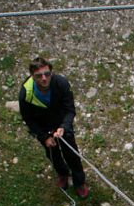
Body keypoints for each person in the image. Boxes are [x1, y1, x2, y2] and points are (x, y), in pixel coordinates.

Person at [19, 57, 89, 198]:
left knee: (72, 155)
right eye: (39, 76)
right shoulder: (26, 93)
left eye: (47, 74)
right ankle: (63, 174)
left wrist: (64, 126)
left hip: (62, 125)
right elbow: (28, 119)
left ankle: (79, 182)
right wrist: (44, 137)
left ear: (51, 72)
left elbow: (70, 109)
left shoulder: (61, 84)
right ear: (32, 75)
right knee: (53, 155)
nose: (44, 78)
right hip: (44, 129)